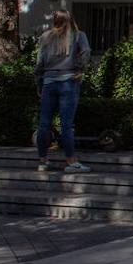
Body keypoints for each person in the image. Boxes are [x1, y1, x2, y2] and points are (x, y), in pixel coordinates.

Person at [34, 10, 92, 173]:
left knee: (44, 123)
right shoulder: (79, 36)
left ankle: (43, 161)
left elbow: (39, 63)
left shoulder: (45, 37)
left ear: (55, 21)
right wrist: (80, 68)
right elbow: (86, 52)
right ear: (71, 20)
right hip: (69, 81)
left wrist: (39, 83)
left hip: (49, 82)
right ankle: (71, 161)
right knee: (66, 125)